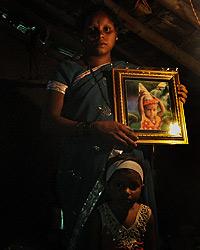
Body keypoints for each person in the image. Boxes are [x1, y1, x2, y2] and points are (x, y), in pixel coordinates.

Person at [41, 3, 188, 249]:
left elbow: (152, 116)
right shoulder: (67, 70)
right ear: (82, 35)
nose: (100, 35)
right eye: (93, 30)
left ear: (116, 35)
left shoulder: (129, 74)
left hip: (127, 167)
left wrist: (173, 98)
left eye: (107, 29)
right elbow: (49, 122)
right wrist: (95, 128)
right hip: (83, 165)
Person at [84, 155, 156, 250]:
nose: (126, 191)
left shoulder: (145, 214)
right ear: (108, 186)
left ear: (141, 188)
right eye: (119, 185)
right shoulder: (101, 215)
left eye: (133, 186)